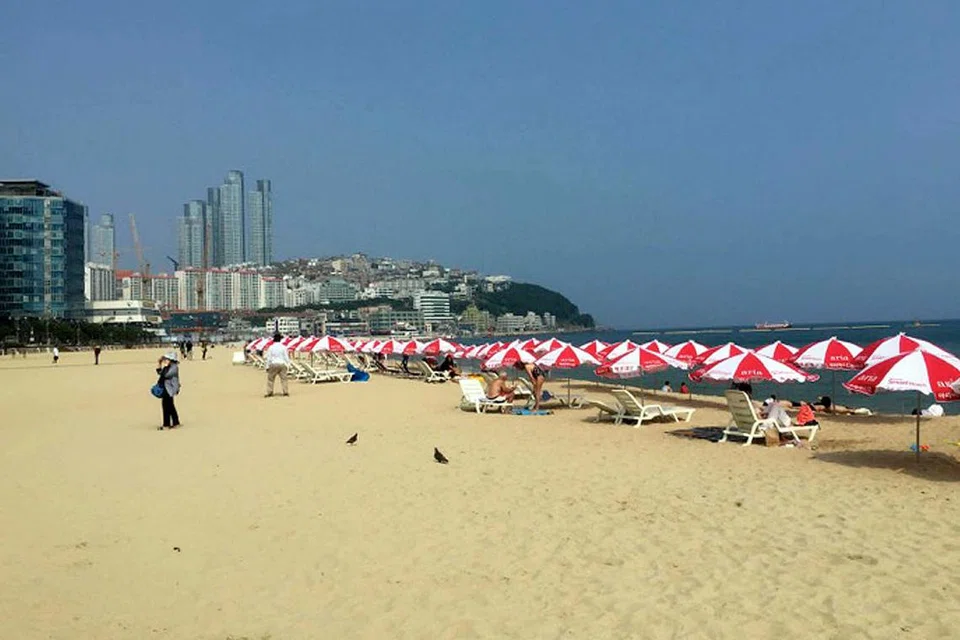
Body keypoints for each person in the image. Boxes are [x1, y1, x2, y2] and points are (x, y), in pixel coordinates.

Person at [156, 352, 181, 429]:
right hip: (166, 388)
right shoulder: (168, 367)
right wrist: (159, 363)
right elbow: (159, 372)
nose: (165, 360)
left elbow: (166, 375)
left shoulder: (174, 367)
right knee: (170, 406)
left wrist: (164, 366)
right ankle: (175, 422)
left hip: (170, 389)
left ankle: (166, 424)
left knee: (167, 406)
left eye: (167, 359)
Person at [264, 333, 291, 397]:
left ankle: (270, 392)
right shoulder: (283, 347)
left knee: (271, 379)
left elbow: (269, 358)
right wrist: (288, 365)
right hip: (282, 364)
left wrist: (267, 366)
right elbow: (286, 357)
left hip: (273, 363)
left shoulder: (271, 347)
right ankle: (285, 392)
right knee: (284, 379)